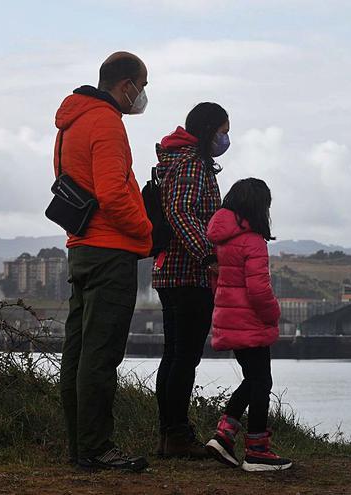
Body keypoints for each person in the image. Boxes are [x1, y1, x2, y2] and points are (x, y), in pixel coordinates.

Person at [55, 52, 152, 472]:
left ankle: (81, 447)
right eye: (142, 85)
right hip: (110, 250)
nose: (143, 95)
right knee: (101, 353)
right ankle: (97, 447)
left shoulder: (72, 121)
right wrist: (146, 233)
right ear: (126, 84)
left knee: (77, 351)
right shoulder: (107, 122)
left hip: (80, 247)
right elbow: (113, 194)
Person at [152, 103, 228, 457]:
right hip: (188, 274)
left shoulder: (176, 160)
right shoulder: (191, 164)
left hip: (172, 273)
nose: (225, 138)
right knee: (184, 358)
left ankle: (170, 434)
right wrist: (208, 255)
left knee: (174, 356)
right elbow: (180, 211)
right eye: (223, 130)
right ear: (209, 129)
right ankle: (177, 435)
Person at [204, 178, 293, 472]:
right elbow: (258, 290)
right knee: (261, 382)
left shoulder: (222, 239)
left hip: (229, 319)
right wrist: (273, 314)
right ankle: (256, 451)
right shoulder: (252, 241)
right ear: (259, 207)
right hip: (250, 322)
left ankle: (224, 435)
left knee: (253, 379)